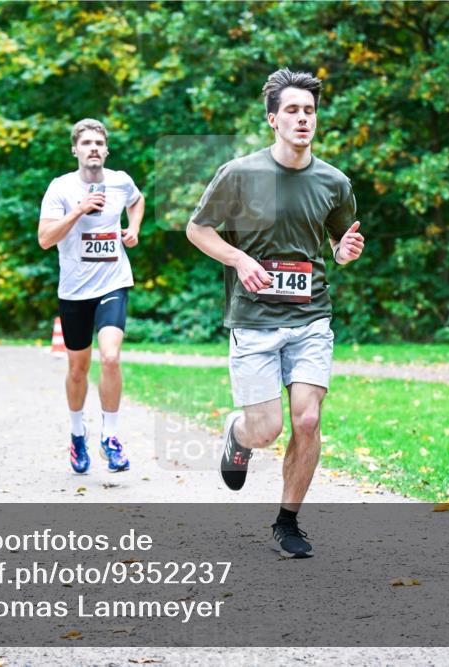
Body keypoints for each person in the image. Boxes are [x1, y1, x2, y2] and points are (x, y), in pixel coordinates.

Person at [186, 68, 365, 558]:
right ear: (273, 119)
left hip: (312, 318)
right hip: (254, 320)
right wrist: (240, 259)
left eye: (309, 110)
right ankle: (238, 434)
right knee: (266, 429)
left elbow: (339, 243)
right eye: (292, 110)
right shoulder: (240, 174)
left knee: (307, 421)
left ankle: (288, 522)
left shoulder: (335, 181)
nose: (302, 118)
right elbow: (198, 229)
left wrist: (345, 252)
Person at [38, 118, 145, 474]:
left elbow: (138, 199)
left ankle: (110, 439)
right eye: (86, 143)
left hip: (113, 281)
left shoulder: (120, 181)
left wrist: (134, 228)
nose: (94, 148)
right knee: (77, 368)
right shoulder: (61, 188)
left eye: (99, 143)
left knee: (111, 357)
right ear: (75, 150)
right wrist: (79, 210)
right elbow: (45, 238)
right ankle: (77, 435)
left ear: (107, 149)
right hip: (74, 291)